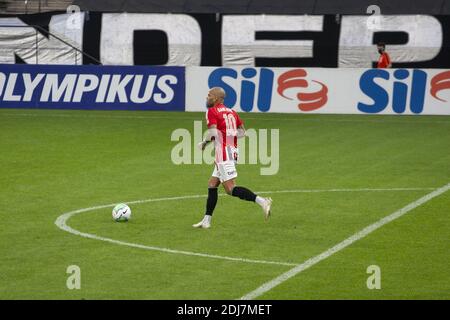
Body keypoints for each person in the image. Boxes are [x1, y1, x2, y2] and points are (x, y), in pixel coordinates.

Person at [193, 87, 272, 229]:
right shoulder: (232, 112)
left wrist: (205, 143)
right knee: (212, 185)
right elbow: (243, 133)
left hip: (223, 153)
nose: (207, 97)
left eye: (209, 95)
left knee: (230, 189)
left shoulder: (212, 111)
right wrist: (228, 134)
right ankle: (206, 221)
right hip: (232, 150)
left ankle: (262, 201)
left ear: (216, 98)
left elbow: (213, 132)